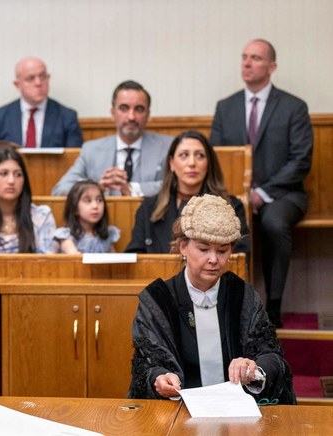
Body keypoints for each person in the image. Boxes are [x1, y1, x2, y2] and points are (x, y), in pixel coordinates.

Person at [128, 194, 295, 404]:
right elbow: (146, 364)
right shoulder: (157, 301)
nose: (214, 260)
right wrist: (159, 378)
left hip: (234, 412)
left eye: (223, 250)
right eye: (204, 249)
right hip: (178, 413)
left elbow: (272, 356)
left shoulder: (243, 296)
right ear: (183, 247)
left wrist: (255, 370)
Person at [210, 39, 313, 327]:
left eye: (255, 57)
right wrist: (240, 196)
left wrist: (262, 193)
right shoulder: (225, 107)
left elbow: (300, 160)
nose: (246, 62)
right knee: (221, 225)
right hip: (234, 195)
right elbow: (216, 157)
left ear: (272, 66)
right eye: (244, 57)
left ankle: (274, 307)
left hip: (283, 195)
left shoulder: (293, 106)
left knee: (274, 224)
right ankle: (233, 308)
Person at [126, 130, 250, 254]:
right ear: (172, 164)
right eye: (184, 155)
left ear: (209, 164)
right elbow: (136, 258)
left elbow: (240, 259)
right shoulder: (149, 207)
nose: (192, 163)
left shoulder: (230, 207)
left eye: (200, 155)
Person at [52, 80, 172, 196]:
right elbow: (60, 189)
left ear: (148, 115)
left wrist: (132, 189)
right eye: (124, 108)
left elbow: (179, 185)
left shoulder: (168, 147)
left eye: (139, 109)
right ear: (112, 113)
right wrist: (96, 188)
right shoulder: (91, 150)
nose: (131, 117)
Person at [0, 56, 83, 148]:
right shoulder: (0, 117)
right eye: (30, 78)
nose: (38, 83)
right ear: (17, 85)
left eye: (42, 77)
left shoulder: (67, 117)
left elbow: (74, 157)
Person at [52, 179, 120, 253]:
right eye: (88, 201)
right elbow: (75, 261)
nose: (95, 206)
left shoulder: (108, 234)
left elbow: (114, 261)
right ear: (75, 208)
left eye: (99, 200)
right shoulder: (67, 237)